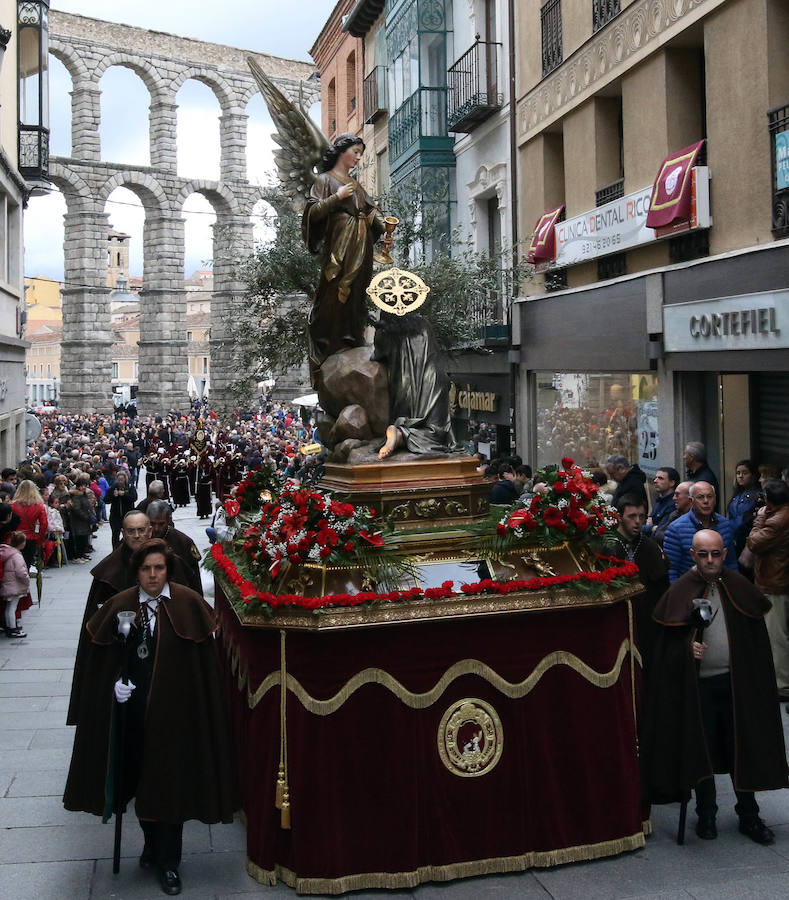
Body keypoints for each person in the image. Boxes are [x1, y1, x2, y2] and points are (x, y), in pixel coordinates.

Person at [63, 540, 238, 896]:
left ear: (167, 570)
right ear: (137, 571)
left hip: (176, 717)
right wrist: (114, 687)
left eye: (159, 568)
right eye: (146, 569)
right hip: (133, 714)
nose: (153, 575)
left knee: (168, 784)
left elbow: (204, 669)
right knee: (140, 780)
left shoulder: (189, 603)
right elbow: (100, 661)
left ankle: (169, 861)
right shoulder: (121, 604)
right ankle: (149, 845)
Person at [641, 530, 788, 844]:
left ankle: (749, 814)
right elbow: (664, 648)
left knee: (741, 746)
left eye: (716, 554)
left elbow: (754, 640)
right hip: (700, 689)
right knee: (702, 749)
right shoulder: (681, 590)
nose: (710, 560)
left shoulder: (737, 586)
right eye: (703, 554)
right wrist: (686, 650)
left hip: (736, 685)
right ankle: (706, 813)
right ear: (693, 555)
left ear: (724, 553)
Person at [302, 133, 389, 370]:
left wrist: (385, 225)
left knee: (358, 292)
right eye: (355, 152)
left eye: (361, 154)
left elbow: (371, 212)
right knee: (335, 288)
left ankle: (352, 336)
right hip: (339, 243)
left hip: (361, 244)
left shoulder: (357, 185)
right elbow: (312, 213)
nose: (358, 158)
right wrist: (336, 198)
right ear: (342, 151)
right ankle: (330, 340)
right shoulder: (325, 180)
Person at [373, 312, 458, 459]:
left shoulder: (387, 331)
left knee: (431, 429)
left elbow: (378, 354)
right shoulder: (423, 324)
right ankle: (400, 434)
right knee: (437, 433)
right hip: (432, 378)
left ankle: (399, 433)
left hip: (405, 385)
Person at [611, 494, 669, 678]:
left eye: (641, 517)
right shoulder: (607, 545)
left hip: (646, 623)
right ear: (620, 517)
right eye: (632, 516)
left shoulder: (650, 547)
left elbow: (661, 588)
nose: (638, 522)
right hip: (617, 622)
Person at [746, 479, 789, 704]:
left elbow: (754, 543)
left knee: (776, 637)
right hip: (779, 580)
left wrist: (760, 518)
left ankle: (780, 684)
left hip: (774, 582)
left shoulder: (777, 520)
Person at [663, 482, 737, 582]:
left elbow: (731, 563)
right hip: (689, 588)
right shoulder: (676, 529)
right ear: (691, 501)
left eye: (710, 496)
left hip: (720, 586)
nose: (706, 501)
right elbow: (671, 571)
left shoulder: (725, 525)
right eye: (700, 497)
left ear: (715, 499)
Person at [146, 500, 203, 596]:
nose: (156, 528)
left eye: (160, 524)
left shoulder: (184, 542)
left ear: (168, 520)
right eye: (152, 523)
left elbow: (194, 577)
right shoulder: (141, 537)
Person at [726, 459, 761, 557]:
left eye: (745, 473)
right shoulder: (737, 495)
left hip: (748, 540)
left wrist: (726, 527)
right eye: (738, 473)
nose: (740, 476)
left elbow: (745, 519)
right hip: (734, 540)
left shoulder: (757, 496)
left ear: (753, 475)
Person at [11, 479, 48, 567]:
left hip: (15, 537)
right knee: (27, 564)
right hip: (30, 538)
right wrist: (39, 540)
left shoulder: (12, 506)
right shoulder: (39, 506)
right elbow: (44, 524)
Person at [0, 532, 30, 638]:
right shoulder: (17, 555)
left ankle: (9, 626)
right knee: (12, 607)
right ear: (21, 543)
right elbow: (20, 572)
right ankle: (13, 629)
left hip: (8, 584)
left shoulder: (8, 553)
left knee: (9, 607)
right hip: (15, 585)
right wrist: (27, 580)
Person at [643, 467, 680, 541]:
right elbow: (642, 526)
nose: (655, 481)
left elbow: (659, 532)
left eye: (660, 478)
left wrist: (650, 527)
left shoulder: (673, 504)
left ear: (672, 483)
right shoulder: (659, 501)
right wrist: (651, 527)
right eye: (655, 478)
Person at [108, 470, 138, 548]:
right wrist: (113, 496)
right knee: (115, 534)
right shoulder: (113, 487)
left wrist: (124, 494)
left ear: (125, 479)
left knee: (129, 534)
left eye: (122, 480)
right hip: (115, 516)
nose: (120, 481)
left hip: (127, 515)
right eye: (119, 480)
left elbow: (134, 498)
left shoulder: (130, 487)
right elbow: (106, 500)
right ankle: (115, 551)